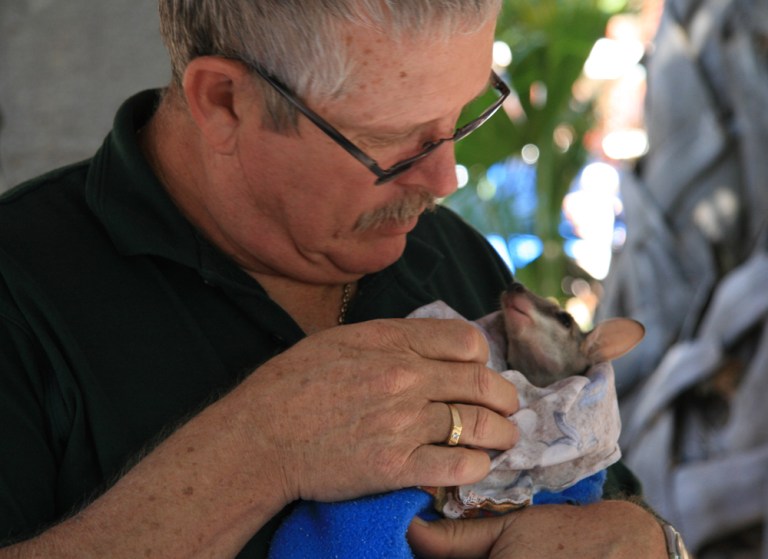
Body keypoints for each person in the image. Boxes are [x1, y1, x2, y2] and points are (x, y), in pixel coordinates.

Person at [0, 1, 670, 557]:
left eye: (463, 114)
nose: (444, 181)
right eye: (391, 140)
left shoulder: (445, 248)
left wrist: (648, 538)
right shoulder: (22, 286)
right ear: (225, 100)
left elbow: (596, 492)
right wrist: (260, 448)